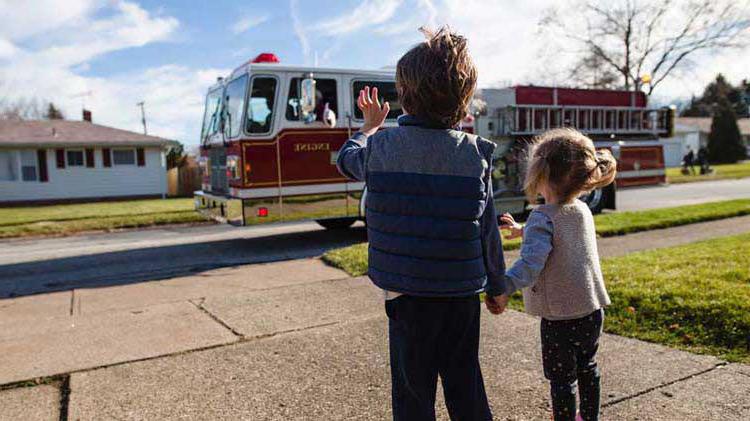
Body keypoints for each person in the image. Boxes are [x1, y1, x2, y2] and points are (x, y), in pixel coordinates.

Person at [336, 27, 508, 421]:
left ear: (404, 95)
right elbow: (487, 230)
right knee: (465, 384)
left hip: (406, 293)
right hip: (461, 293)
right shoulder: (475, 155)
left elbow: (346, 158)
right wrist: (497, 285)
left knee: (413, 393)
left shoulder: (380, 147)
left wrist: (370, 126)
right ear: (463, 99)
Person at [494, 128, 615, 421]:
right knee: (588, 367)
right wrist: (524, 231)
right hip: (590, 309)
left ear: (541, 173)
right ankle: (588, 416)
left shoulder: (541, 217)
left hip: (560, 316)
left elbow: (531, 263)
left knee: (562, 380)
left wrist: (505, 286)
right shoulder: (581, 210)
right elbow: (562, 235)